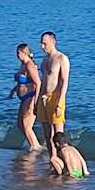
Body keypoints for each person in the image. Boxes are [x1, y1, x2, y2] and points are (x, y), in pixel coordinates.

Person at [36, 31, 76, 171]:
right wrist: (38, 101)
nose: (42, 46)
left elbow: (64, 81)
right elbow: (43, 82)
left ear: (53, 42)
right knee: (47, 134)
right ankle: (53, 160)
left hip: (56, 97)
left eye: (45, 43)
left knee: (58, 135)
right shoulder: (44, 61)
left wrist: (60, 101)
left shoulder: (61, 58)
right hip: (44, 98)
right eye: (41, 44)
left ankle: (66, 163)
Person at [10, 42, 43, 151]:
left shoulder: (30, 65)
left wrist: (36, 102)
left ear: (24, 53)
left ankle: (35, 147)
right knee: (20, 124)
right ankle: (34, 143)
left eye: (18, 52)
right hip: (23, 98)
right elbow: (22, 82)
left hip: (30, 97)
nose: (17, 55)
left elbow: (38, 83)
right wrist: (13, 90)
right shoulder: (23, 64)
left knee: (26, 125)